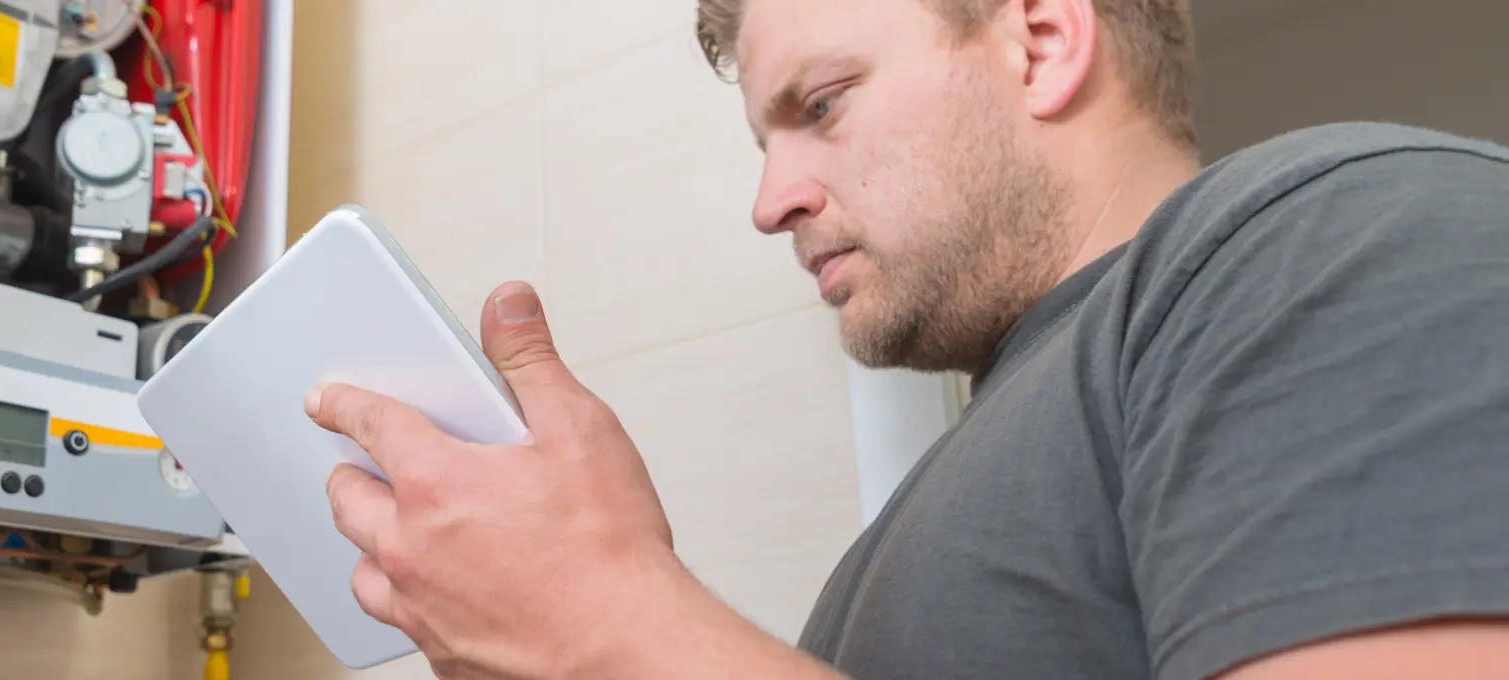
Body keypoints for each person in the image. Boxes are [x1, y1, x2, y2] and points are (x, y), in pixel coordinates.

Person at [302, 0, 1509, 677]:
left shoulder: (1335, 229)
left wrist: (621, 624)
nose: (768, 201)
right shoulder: (916, 526)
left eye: (820, 106)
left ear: (1041, 39)